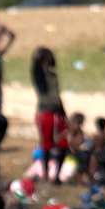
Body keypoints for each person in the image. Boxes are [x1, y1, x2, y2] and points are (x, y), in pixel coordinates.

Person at [31, 47, 66, 182]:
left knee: (63, 145)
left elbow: (57, 96)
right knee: (46, 146)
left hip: (57, 114)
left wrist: (64, 114)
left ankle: (57, 175)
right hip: (45, 113)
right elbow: (35, 65)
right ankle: (46, 175)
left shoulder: (54, 76)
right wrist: (39, 54)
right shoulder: (39, 76)